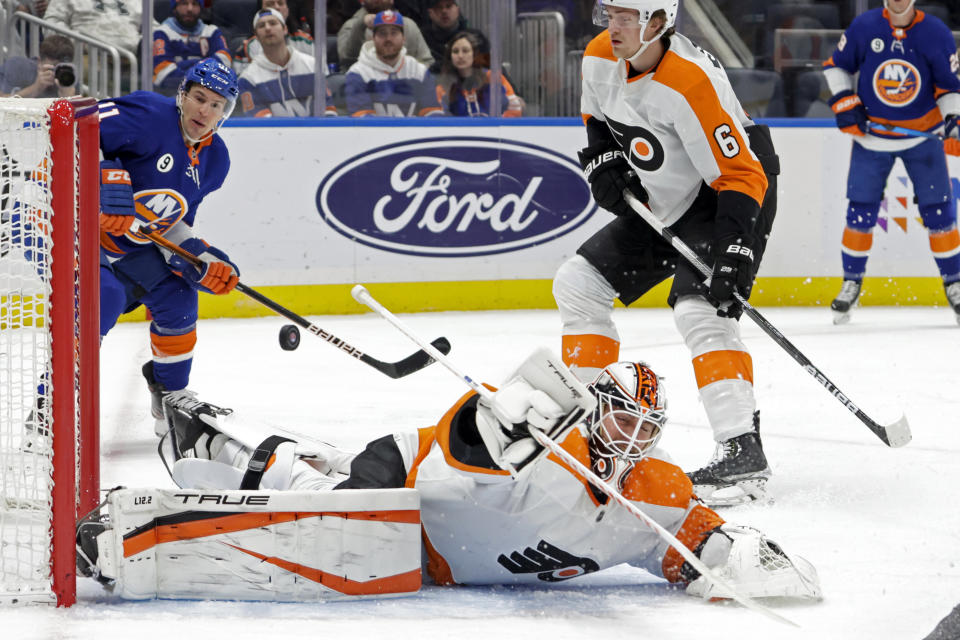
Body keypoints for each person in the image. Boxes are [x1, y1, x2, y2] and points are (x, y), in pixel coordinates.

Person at [149, 351, 820, 599]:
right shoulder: (543, 441)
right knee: (326, 506)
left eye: (648, 426)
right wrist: (489, 425)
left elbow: (683, 537)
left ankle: (290, 452)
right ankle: (222, 440)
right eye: (623, 420)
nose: (635, 437)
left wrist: (730, 554)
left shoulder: (656, 490)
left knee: (332, 486)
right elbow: (465, 446)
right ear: (595, 413)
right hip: (409, 482)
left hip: (434, 553)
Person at [551, 0, 780, 507]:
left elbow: (743, 174)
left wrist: (736, 247)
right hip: (666, 197)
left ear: (658, 23)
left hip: (729, 195)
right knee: (578, 283)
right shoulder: (598, 54)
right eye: (608, 15)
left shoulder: (690, 82)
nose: (613, 27)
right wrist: (604, 155)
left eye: (625, 18)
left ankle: (742, 450)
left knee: (702, 307)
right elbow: (595, 110)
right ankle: (593, 428)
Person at [96, 58, 242, 424]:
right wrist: (105, 174)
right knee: (103, 297)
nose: (204, 110)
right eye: (199, 97)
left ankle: (169, 393)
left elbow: (168, 225)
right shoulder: (147, 115)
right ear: (182, 95)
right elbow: (71, 128)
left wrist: (198, 256)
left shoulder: (215, 161)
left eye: (215, 104)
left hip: (127, 247)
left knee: (178, 295)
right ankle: (49, 405)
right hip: (72, 228)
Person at [823, 0, 960, 324]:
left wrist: (953, 119)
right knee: (860, 212)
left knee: (940, 213)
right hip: (872, 139)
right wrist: (845, 101)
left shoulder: (935, 32)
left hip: (922, 137)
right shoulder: (865, 27)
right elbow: (836, 66)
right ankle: (851, 282)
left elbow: (950, 86)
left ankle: (955, 283)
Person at [237, 8, 337, 116]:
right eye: (261, 26)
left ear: (285, 29)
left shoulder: (313, 66)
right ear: (256, 36)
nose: (267, 28)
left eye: (273, 23)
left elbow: (328, 111)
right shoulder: (248, 79)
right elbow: (262, 125)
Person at [343, 10, 442, 117]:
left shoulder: (419, 71)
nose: (388, 39)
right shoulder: (358, 73)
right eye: (382, 33)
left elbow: (433, 114)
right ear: (373, 38)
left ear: (403, 38)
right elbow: (363, 121)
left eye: (394, 32)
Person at [153, 0, 231, 95]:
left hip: (209, 95)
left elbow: (225, 62)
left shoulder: (212, 31)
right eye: (184, 3)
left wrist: (182, 65)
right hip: (172, 95)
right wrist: (205, 65)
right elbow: (164, 76)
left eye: (195, 4)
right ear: (175, 7)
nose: (190, 9)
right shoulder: (161, 33)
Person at [436, 31, 522, 117]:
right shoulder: (444, 86)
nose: (460, 56)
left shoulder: (492, 78)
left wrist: (497, 127)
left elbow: (514, 110)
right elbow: (438, 119)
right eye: (455, 51)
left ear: (475, 54)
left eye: (465, 51)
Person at [337, 0, 433, 70]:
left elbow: (427, 61)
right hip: (366, 89)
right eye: (382, 33)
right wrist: (361, 25)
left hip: (406, 90)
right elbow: (346, 62)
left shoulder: (408, 25)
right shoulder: (351, 26)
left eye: (394, 32)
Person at [233, 0, 315, 73]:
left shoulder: (305, 41)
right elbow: (240, 85)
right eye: (270, 4)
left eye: (280, 3)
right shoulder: (249, 47)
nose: (276, 7)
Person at [42, 0, 142, 53]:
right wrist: (76, 42)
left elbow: (152, 27)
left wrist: (143, 42)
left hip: (134, 57)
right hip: (88, 55)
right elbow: (51, 23)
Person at [0, 34, 77, 99]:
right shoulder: (17, 66)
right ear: (39, 62)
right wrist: (35, 89)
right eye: (53, 68)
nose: (59, 72)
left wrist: (68, 99)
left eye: (62, 67)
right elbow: (2, 102)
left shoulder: (69, 75)